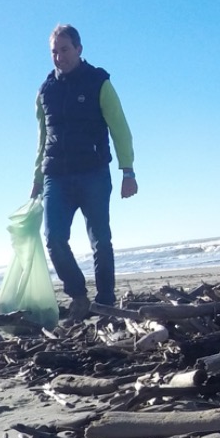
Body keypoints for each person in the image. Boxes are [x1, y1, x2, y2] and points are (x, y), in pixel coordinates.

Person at [31, 25, 138, 319]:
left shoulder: (98, 82)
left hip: (93, 172)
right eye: (54, 51)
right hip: (56, 175)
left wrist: (127, 170)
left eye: (64, 49)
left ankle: (104, 301)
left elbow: (119, 127)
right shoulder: (45, 91)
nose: (59, 56)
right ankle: (78, 295)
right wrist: (37, 179)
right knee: (53, 238)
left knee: (100, 241)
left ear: (79, 49)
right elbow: (42, 138)